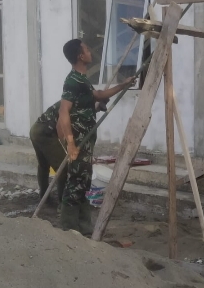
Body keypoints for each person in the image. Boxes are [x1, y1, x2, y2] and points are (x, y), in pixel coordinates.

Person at [38, 39, 134, 234]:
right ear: (80, 56)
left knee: (83, 180)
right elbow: (64, 112)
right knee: (76, 181)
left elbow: (98, 95)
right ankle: (68, 226)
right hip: (79, 140)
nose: (90, 52)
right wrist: (71, 143)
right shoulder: (73, 80)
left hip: (86, 140)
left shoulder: (81, 79)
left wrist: (123, 85)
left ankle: (83, 225)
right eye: (87, 49)